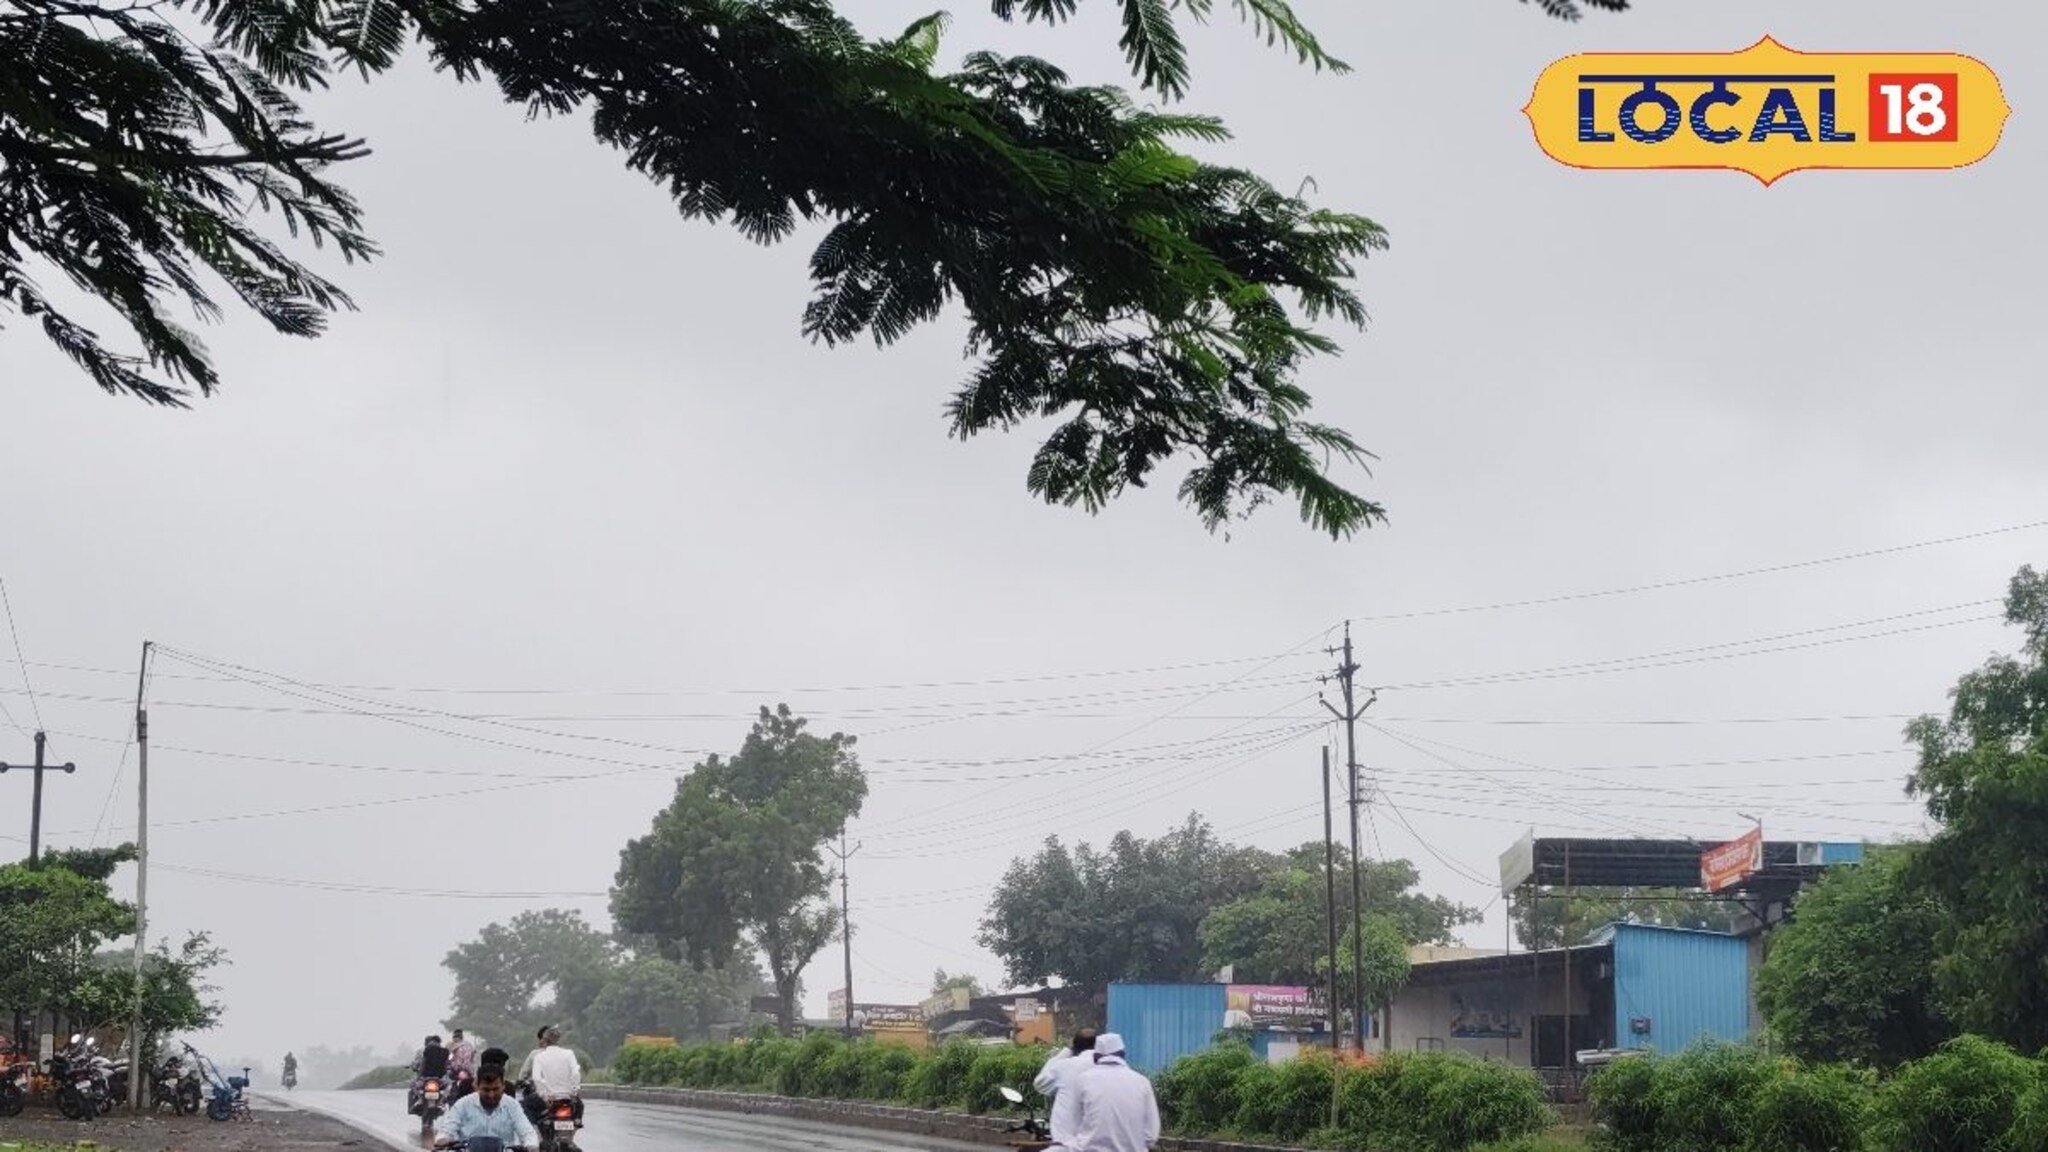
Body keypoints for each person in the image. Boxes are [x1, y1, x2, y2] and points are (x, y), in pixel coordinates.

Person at [1068, 1033, 1158, 1152]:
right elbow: (1151, 1134)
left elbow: (1073, 1126)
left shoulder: (1083, 1080)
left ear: (1095, 1057)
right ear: (1123, 1055)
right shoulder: (1142, 1082)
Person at [433, 1062, 537, 1150]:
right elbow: (447, 1128)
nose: (491, 1095)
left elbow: (527, 1131)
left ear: (503, 1086)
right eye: (486, 1090)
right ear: (477, 1087)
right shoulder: (462, 1104)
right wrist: (442, 1139)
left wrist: (531, 1145)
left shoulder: (512, 1105)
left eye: (496, 1089)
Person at [1031, 1028, 1098, 1149]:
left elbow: (1040, 1084)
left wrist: (1065, 1052)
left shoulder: (1065, 1066)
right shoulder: (1108, 1070)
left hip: (1065, 1144)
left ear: (1075, 1047)